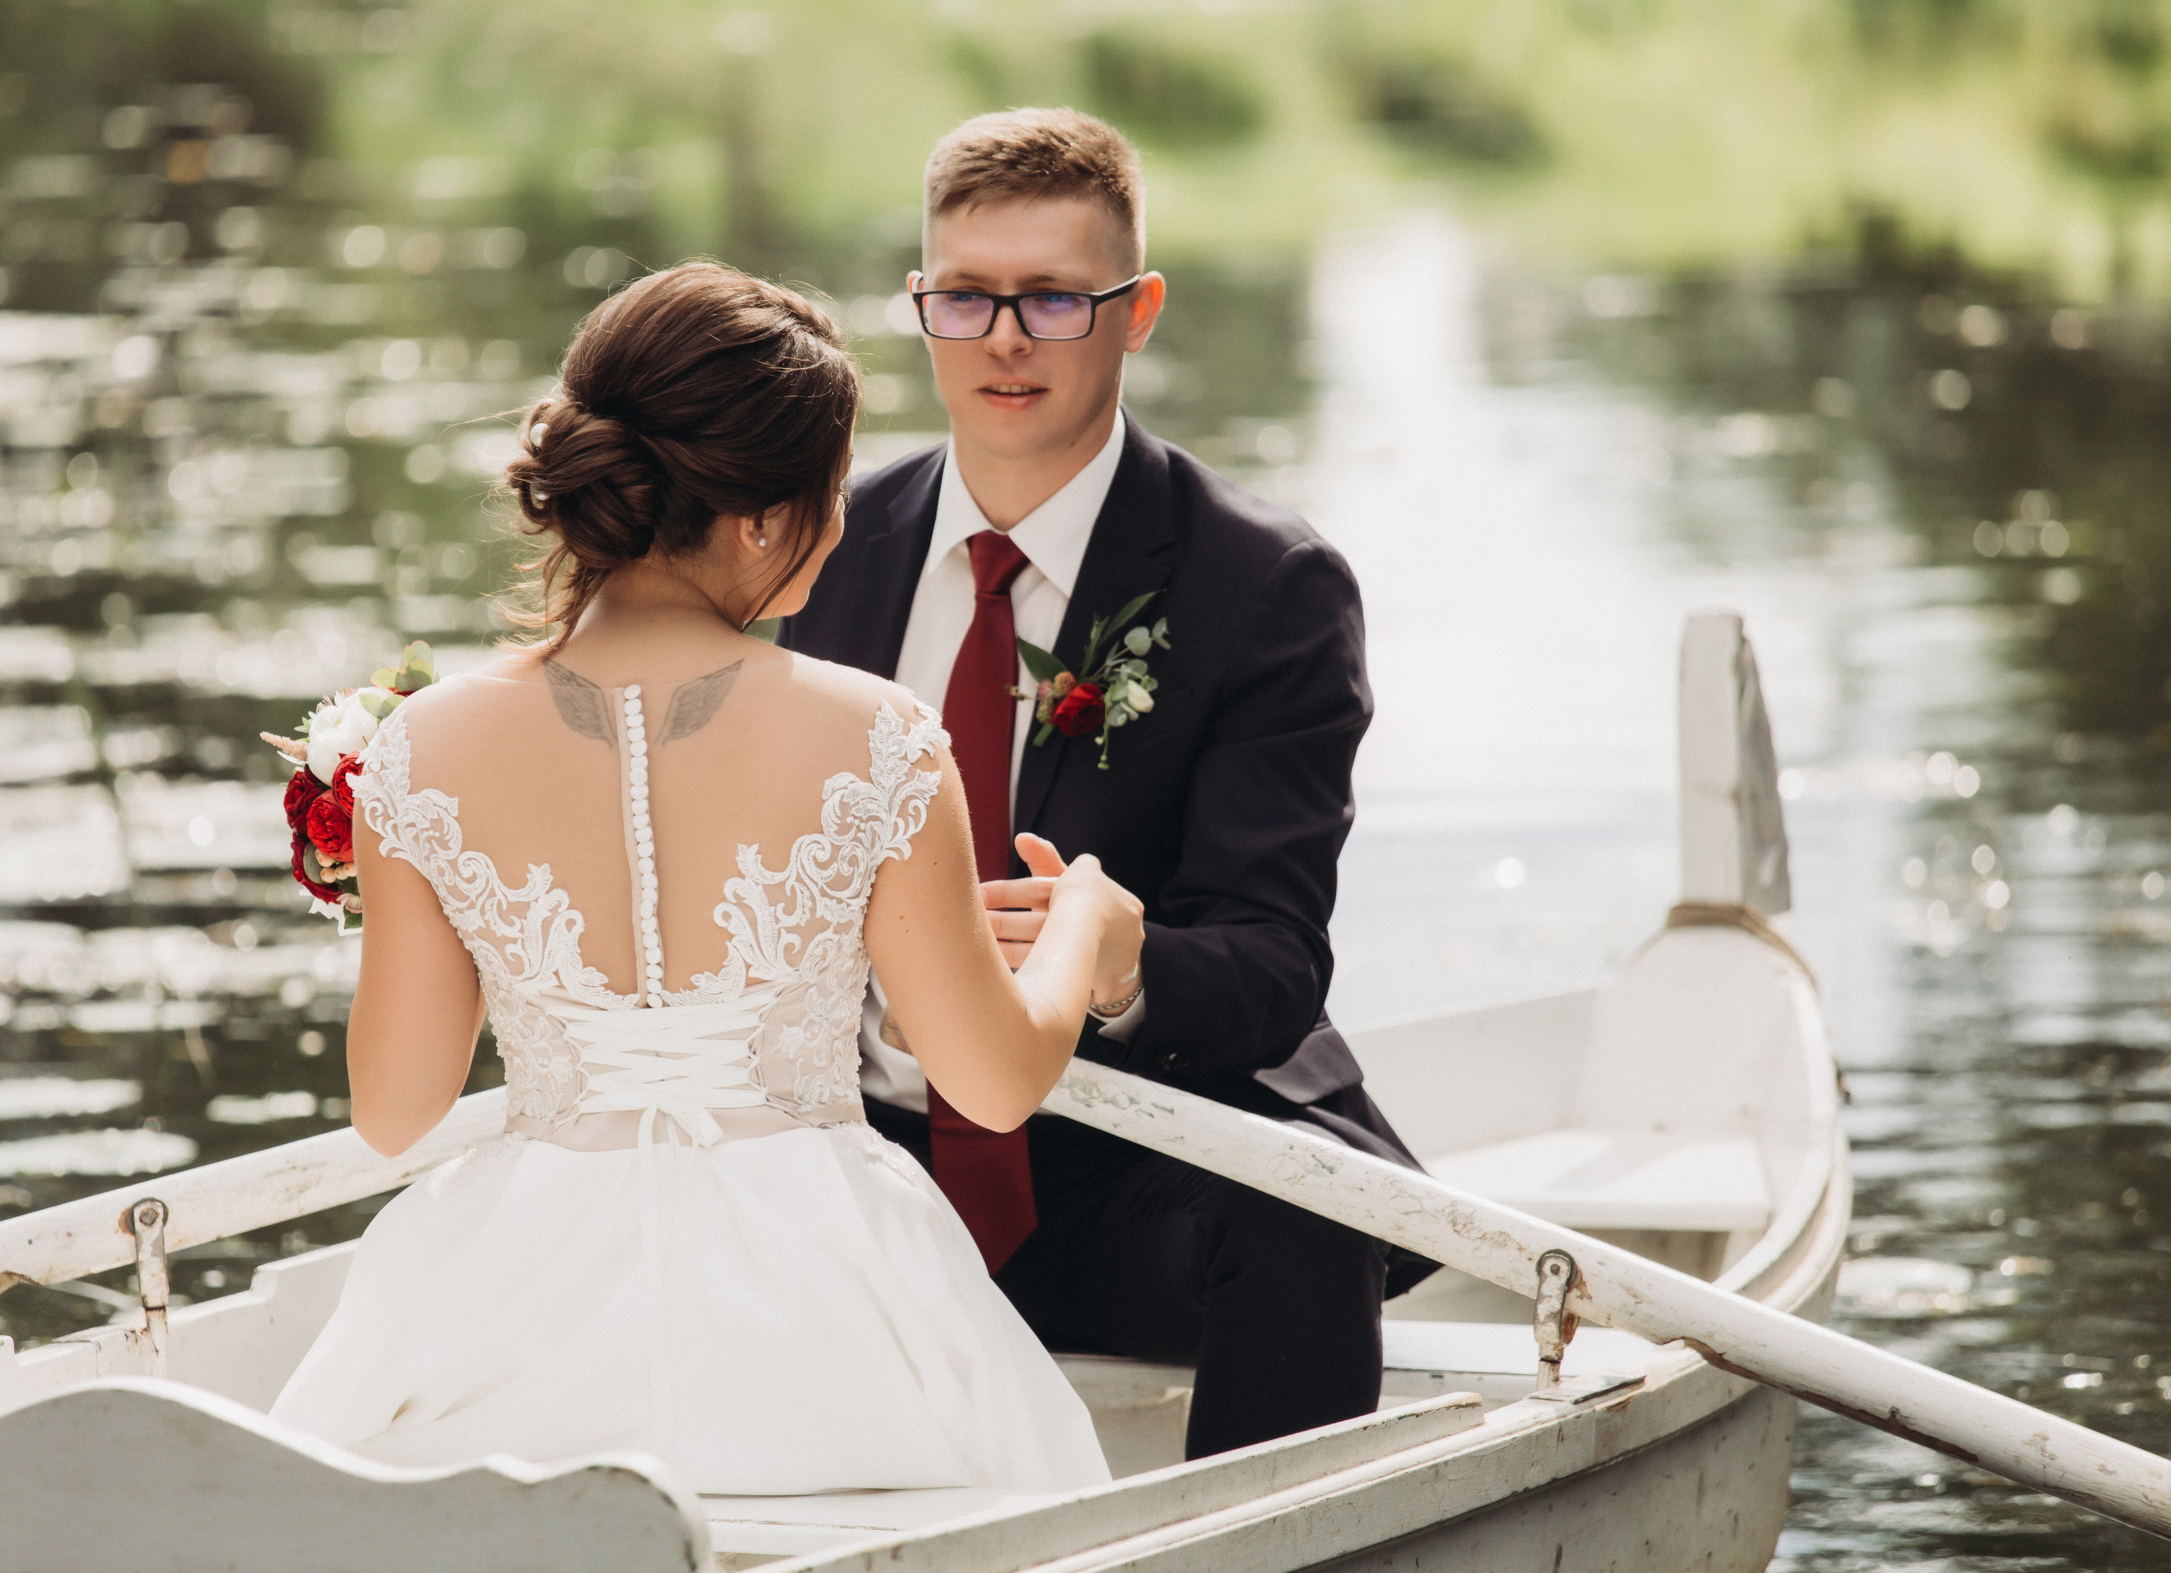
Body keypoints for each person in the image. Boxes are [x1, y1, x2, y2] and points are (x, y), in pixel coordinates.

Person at [268, 261, 1135, 1496]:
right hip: (823, 1304)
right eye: (831, 496)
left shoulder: (421, 748)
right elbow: (993, 1083)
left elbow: (394, 1112)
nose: (841, 528)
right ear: (766, 519)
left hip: (514, 1300)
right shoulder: (878, 738)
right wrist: (1084, 924)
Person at [778, 108, 1436, 1461]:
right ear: (923, 304)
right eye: (965, 296)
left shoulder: (1265, 588)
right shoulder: (828, 548)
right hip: (865, 1168)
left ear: (1135, 312)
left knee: (1304, 1218)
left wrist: (1127, 962)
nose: (1004, 338)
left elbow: (1270, 966)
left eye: (1053, 298)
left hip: (1122, 1166)